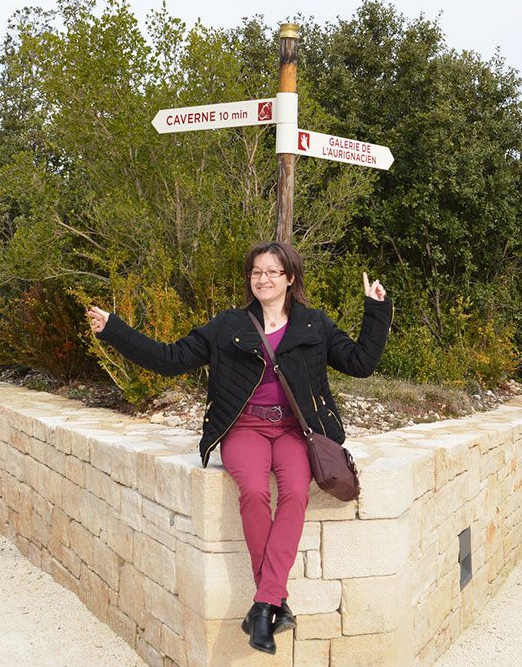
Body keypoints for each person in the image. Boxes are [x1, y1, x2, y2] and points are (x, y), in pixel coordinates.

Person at [87, 241, 392, 655]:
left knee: (296, 493)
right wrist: (114, 329)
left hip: (293, 431)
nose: (262, 279)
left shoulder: (314, 324)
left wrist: (376, 310)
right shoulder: (228, 324)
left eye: (272, 271)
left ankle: (264, 605)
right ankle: (273, 603)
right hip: (244, 427)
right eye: (255, 272)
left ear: (290, 278)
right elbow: (169, 358)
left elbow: (360, 363)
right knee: (253, 492)